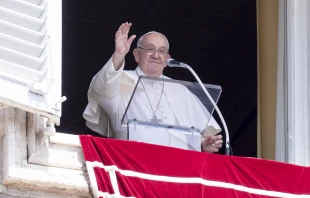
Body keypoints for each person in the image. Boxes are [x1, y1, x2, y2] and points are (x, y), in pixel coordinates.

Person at [83, 22, 223, 153]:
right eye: (150, 49)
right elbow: (101, 88)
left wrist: (202, 145)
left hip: (178, 168)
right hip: (131, 162)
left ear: (167, 59)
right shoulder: (120, 81)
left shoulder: (181, 90)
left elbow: (192, 134)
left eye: (162, 51)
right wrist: (119, 55)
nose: (156, 55)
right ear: (137, 54)